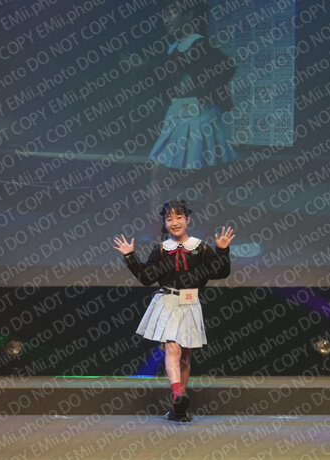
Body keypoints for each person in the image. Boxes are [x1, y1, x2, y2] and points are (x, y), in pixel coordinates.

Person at [114, 199, 234, 421]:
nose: (174, 222)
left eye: (179, 217)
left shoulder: (200, 248)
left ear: (187, 220)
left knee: (185, 356)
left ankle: (178, 407)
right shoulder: (161, 250)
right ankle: (178, 394)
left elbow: (220, 272)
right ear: (165, 223)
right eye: (169, 219)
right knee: (173, 349)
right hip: (167, 301)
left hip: (190, 303)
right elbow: (147, 278)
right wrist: (130, 256)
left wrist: (223, 250)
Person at [149, 0, 237, 211]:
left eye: (172, 13)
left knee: (205, 176)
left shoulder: (199, 44)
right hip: (177, 112)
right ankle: (157, 224)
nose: (167, 20)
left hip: (199, 114)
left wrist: (203, 88)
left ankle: (213, 226)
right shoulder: (174, 48)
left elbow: (228, 67)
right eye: (164, 15)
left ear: (188, 16)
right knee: (158, 171)